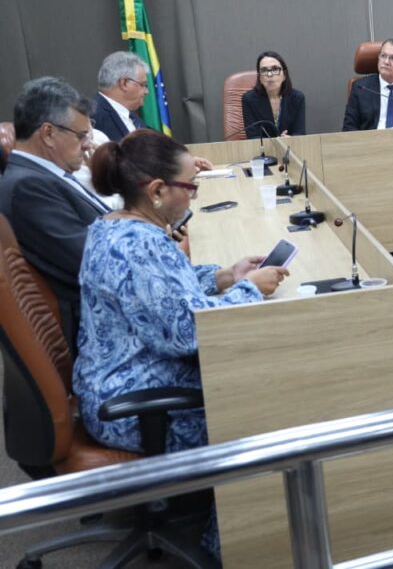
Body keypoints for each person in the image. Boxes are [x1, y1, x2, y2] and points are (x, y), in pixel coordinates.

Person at [74, 129, 289, 453]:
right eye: (191, 186)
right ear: (158, 190)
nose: (194, 196)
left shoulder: (113, 225)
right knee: (274, 393)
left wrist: (226, 276)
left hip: (118, 381)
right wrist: (250, 289)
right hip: (135, 404)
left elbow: (162, 291)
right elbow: (187, 333)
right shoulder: (140, 245)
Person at [0, 77, 107, 348]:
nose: (87, 144)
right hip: (102, 327)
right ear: (48, 133)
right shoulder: (27, 187)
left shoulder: (46, 176)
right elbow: (96, 261)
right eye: (81, 135)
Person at [242, 50, 306, 137]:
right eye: (264, 70)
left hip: (288, 145)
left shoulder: (297, 98)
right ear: (259, 77)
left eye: (275, 69)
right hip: (261, 146)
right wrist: (276, 142)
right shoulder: (249, 99)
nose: (269, 74)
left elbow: (300, 134)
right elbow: (253, 137)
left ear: (284, 75)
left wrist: (290, 139)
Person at [93, 51, 151, 142]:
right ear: (124, 83)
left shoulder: (133, 118)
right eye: (143, 85)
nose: (147, 92)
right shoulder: (94, 116)